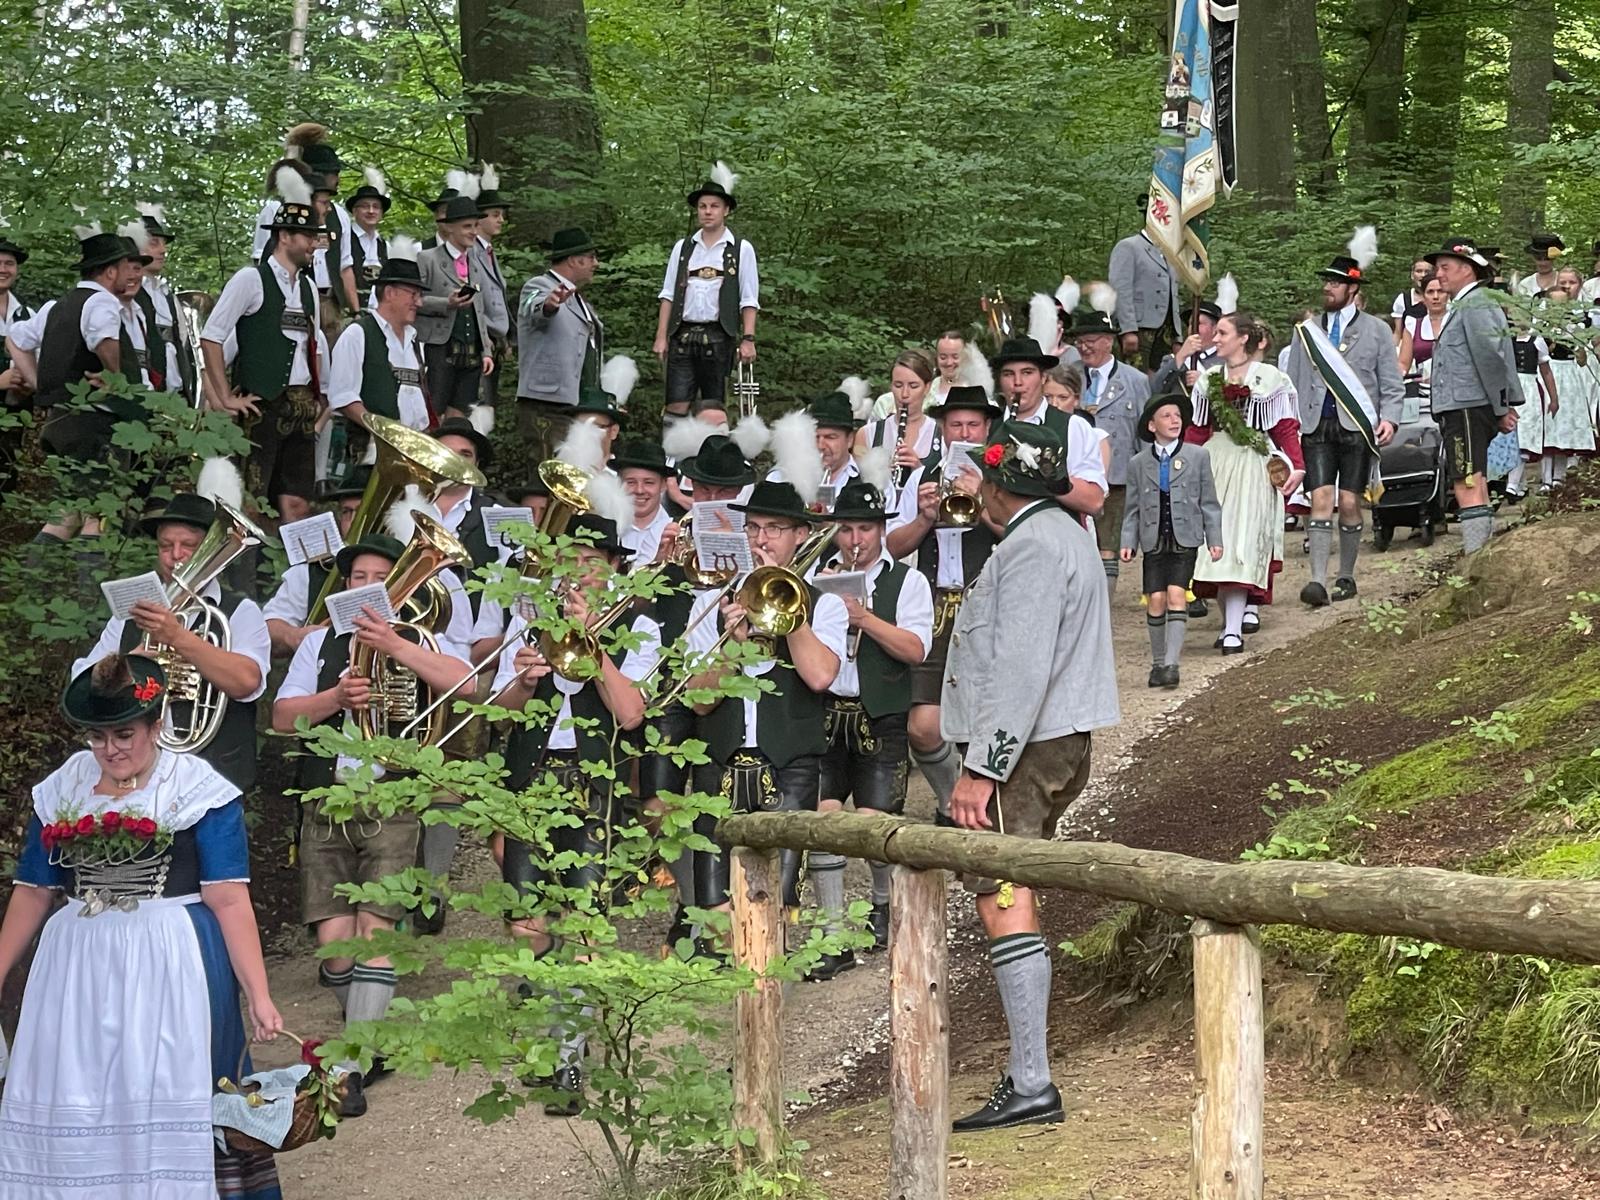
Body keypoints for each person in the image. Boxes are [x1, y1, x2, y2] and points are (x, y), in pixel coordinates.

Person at [0, 653, 284, 1198]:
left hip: (171, 955)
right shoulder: (64, 787)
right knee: (77, 1081)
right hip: (76, 965)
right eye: (98, 737)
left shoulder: (197, 788)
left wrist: (259, 994)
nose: (111, 749)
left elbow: (228, 898)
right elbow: (34, 890)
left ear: (156, 726)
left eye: (124, 734)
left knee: (165, 1079)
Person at [943, 421, 1118, 1133]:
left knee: (1001, 889)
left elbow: (1019, 668)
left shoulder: (1035, 548)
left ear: (997, 483)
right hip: (1047, 740)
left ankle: (1032, 1080)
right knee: (1008, 886)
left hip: (1023, 749)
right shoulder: (1060, 534)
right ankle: (1028, 1074)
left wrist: (981, 769)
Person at [272, 531, 472, 1115]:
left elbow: (467, 683)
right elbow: (282, 717)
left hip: (393, 799)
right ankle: (368, 1034)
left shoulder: (419, 637)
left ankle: (350, 1066)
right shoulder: (320, 643)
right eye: (357, 578)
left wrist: (396, 646)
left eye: (379, 579)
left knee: (375, 931)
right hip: (327, 799)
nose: (365, 587)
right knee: (335, 950)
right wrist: (336, 699)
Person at [492, 513, 658, 1112]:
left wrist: (593, 643)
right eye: (569, 561)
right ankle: (555, 1040)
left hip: (593, 785)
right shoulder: (529, 620)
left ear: (614, 567)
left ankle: (568, 1060)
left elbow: (632, 714)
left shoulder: (638, 624)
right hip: (531, 779)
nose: (579, 572)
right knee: (527, 923)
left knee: (584, 919)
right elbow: (501, 712)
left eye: (591, 561)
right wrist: (521, 681)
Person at [682, 481, 847, 912]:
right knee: (717, 915)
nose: (761, 539)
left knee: (776, 911)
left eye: (775, 528)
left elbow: (820, 677)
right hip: (719, 768)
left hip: (791, 770)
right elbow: (699, 701)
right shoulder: (710, 604)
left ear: (801, 535)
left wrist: (788, 613)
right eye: (753, 527)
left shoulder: (825, 605)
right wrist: (730, 647)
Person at [807, 481, 932, 969]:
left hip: (881, 714)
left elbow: (915, 650)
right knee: (824, 822)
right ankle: (832, 935)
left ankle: (882, 903)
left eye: (865, 529)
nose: (855, 539)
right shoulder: (817, 577)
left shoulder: (908, 582)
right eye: (846, 529)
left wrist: (864, 619)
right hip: (827, 711)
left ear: (881, 530)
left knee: (872, 823)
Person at [72, 488, 272, 790]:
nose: (175, 555)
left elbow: (247, 682)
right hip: (136, 776)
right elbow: (82, 684)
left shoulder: (240, 612)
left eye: (188, 545)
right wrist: (130, 663)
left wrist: (177, 637)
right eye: (165, 546)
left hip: (214, 778)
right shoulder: (131, 615)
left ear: (210, 551)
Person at [885, 386, 1002, 830]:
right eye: (956, 425)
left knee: (980, 715)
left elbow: (1020, 536)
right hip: (934, 605)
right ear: (942, 429)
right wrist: (924, 517)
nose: (965, 433)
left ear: (987, 429)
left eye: (973, 425)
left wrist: (982, 499)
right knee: (923, 725)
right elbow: (892, 548)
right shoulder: (923, 476)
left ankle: (979, 804)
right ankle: (951, 798)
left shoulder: (1003, 476)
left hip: (985, 604)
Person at [201, 174, 329, 529]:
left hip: (301, 407)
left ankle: (286, 563)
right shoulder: (251, 280)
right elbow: (211, 337)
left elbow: (312, 347)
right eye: (307, 236)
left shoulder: (308, 288)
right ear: (284, 236)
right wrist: (225, 397)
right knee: (251, 500)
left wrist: (317, 398)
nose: (313, 244)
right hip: (262, 407)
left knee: (296, 503)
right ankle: (244, 563)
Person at [1284, 250, 1403, 606]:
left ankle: (1346, 576)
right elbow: (1293, 382)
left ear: (1353, 289)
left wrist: (1390, 418)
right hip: (1316, 425)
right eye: (1326, 281)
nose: (1328, 287)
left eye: (1335, 282)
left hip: (1356, 427)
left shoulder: (1377, 330)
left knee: (1350, 502)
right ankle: (1317, 581)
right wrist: (1290, 425)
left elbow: (1391, 383)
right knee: (1321, 498)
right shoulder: (1307, 332)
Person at [1188, 313, 1306, 651]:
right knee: (1214, 542)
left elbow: (1284, 427)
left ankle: (1233, 630)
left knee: (1242, 540)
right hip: (1216, 461)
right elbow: (1198, 430)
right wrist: (1181, 464)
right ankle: (1230, 621)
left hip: (1254, 463)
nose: (1215, 338)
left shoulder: (1270, 378)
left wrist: (1297, 465)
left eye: (1222, 333)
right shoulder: (1209, 379)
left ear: (1243, 338)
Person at [30, 226, 151, 545]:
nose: (129, 273)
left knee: (66, 514)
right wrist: (116, 377)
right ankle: (89, 578)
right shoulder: (102, 302)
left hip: (60, 421)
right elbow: (103, 340)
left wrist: (37, 382)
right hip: (93, 424)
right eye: (124, 266)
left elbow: (19, 339)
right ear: (110, 271)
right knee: (99, 517)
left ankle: (35, 573)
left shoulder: (60, 305)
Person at [1423, 238, 1521, 554]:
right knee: (1474, 479)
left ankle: (1474, 557)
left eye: (1445, 267)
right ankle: (1480, 553)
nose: (1438, 274)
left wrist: (1501, 407)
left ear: (1467, 269)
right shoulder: (1466, 304)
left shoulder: (1476, 304)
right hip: (1462, 407)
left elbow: (1491, 357)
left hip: (1467, 407)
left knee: (1466, 481)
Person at [1120, 395, 1222, 688]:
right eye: (1166, 416)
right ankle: (1157, 663)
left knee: (1177, 595)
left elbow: (1209, 502)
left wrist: (1214, 537)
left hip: (1184, 538)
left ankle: (1172, 664)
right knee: (1155, 599)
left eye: (1177, 415)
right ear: (1152, 426)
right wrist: (1128, 540)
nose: (1174, 420)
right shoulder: (1138, 463)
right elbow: (1133, 507)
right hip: (1154, 540)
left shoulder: (1198, 456)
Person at [653, 166, 761, 421]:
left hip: (719, 337)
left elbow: (749, 298)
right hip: (682, 336)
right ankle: (673, 447)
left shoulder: (740, 249)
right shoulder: (683, 248)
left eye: (714, 206)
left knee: (714, 408)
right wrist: (661, 337)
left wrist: (748, 339)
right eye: (702, 206)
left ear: (726, 210)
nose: (708, 211)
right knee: (675, 405)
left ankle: (710, 447)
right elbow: (668, 295)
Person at [325, 238, 431, 487]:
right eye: (413, 294)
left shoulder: (415, 341)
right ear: (391, 293)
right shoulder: (358, 334)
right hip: (369, 456)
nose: (419, 302)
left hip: (413, 456)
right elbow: (342, 397)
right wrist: (384, 432)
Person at [1063, 313, 1151, 587]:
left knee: (1108, 547)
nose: (1084, 347)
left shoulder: (1135, 380)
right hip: (1073, 477)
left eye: (1090, 341)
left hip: (1117, 478)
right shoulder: (1067, 375)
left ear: (1108, 342)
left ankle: (1105, 603)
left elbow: (1145, 433)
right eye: (1079, 342)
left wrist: (1146, 478)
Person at [992, 337, 1110, 525]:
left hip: (1056, 537)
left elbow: (1094, 502)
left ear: (1043, 378)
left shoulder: (1073, 426)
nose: (1017, 382)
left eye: (1027, 372)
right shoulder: (987, 425)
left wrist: (1043, 473)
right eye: (1008, 374)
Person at [516, 227, 603, 460]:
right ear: (574, 260)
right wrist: (548, 305)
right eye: (591, 257)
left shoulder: (578, 298)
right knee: (544, 472)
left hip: (573, 403)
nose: (596, 263)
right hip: (545, 404)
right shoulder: (538, 285)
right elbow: (534, 307)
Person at [262, 467, 368, 656]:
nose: (353, 521)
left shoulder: (413, 567)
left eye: (362, 512)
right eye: (347, 512)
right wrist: (293, 636)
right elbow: (269, 625)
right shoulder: (316, 568)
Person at [416, 193, 500, 421]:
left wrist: (486, 350)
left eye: (475, 226)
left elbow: (479, 310)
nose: (473, 232)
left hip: (471, 349)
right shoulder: (427, 258)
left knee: (461, 413)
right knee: (434, 410)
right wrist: (446, 303)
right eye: (466, 226)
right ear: (450, 227)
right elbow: (414, 300)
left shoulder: (476, 262)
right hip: (439, 348)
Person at [857, 349, 940, 506]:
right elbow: (857, 489)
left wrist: (918, 470)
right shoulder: (867, 434)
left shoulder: (941, 434)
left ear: (927, 387)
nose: (904, 394)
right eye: (898, 385)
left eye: (913, 386)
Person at [133, 204, 195, 399]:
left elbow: (182, 344)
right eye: (154, 243)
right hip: (145, 394)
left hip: (177, 396)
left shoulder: (167, 296)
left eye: (163, 244)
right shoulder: (128, 294)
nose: (162, 250)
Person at [1108, 208, 1182, 369]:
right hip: (1139, 329)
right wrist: (1128, 330)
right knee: (1136, 376)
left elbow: (1174, 296)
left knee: (1162, 378)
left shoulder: (1169, 253)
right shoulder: (1129, 246)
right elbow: (1120, 290)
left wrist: (1177, 337)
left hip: (1165, 333)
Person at [766, 391, 862, 506]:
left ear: (849, 440)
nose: (820, 446)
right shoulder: (780, 478)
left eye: (830, 437)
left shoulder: (868, 480)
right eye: (815, 437)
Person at [472, 163, 513, 412]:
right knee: (478, 406)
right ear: (479, 218)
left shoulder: (488, 252)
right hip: (480, 341)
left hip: (495, 342)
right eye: (495, 214)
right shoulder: (471, 252)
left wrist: (505, 338)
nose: (501, 220)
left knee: (489, 406)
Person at [0, 233, 33, 488]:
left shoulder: (28, 315)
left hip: (15, 418)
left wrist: (29, 383)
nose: (3, 269)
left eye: (9, 263)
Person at [610, 436, 677, 562]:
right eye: (631, 482)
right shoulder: (602, 527)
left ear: (663, 485)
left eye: (649, 482)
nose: (639, 490)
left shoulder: (677, 533)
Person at [1149, 300, 1221, 398]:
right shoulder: (1173, 360)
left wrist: (1203, 382)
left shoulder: (1225, 360)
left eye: (1199, 323)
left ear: (1215, 328)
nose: (1193, 328)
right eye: (1191, 324)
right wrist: (1181, 355)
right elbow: (1155, 389)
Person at [345, 167, 392, 294]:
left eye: (376, 207)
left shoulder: (385, 246)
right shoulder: (344, 238)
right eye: (365, 206)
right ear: (354, 211)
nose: (371, 211)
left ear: (381, 213)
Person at [1515, 233, 1565, 298]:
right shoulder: (1525, 284)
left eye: (1547, 259)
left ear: (1554, 259)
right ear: (1533, 258)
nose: (1543, 263)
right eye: (1539, 259)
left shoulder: (1564, 282)